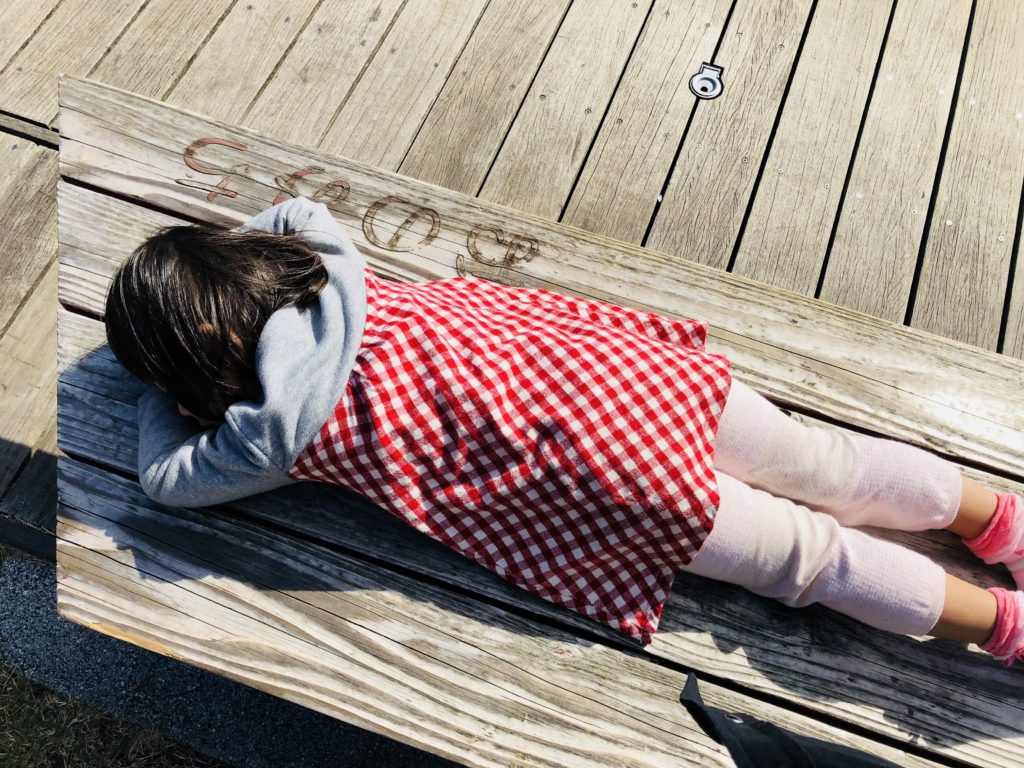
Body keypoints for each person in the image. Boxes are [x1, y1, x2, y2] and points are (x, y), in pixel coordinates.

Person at [103, 195, 1024, 666]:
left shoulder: (270, 433)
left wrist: (171, 398)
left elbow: (165, 481)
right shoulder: (327, 261)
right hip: (641, 385)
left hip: (621, 483)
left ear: (198, 367)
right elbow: (290, 212)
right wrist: (233, 266)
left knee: (809, 561)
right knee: (831, 461)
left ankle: (1004, 627)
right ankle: (1002, 522)